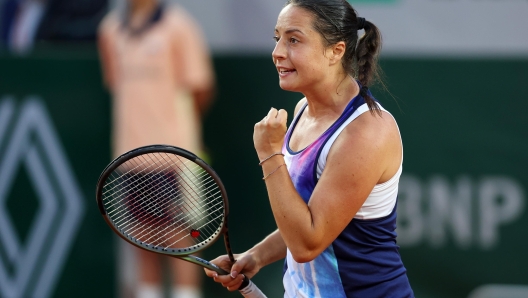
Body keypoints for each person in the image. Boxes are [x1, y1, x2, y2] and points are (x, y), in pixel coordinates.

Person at [204, 0, 414, 297]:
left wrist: (269, 153)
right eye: (277, 39)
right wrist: (257, 255)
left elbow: (307, 243)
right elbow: (307, 217)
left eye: (294, 40)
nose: (278, 53)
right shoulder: (304, 109)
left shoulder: (367, 133)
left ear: (336, 51)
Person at [97, 0, 215, 297]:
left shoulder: (180, 27)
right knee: (141, 240)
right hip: (128, 158)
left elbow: (201, 88)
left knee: (182, 240)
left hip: (175, 159)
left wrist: (175, 133)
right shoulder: (109, 30)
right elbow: (115, 83)